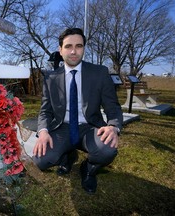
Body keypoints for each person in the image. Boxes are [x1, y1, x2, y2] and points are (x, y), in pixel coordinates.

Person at [32, 28, 123, 194]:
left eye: (79, 46)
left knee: (107, 149)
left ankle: (88, 168)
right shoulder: (50, 78)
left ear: (83, 48)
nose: (73, 51)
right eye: (68, 46)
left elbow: (113, 106)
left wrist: (113, 126)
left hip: (90, 126)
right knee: (40, 160)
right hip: (62, 127)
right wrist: (43, 131)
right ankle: (68, 154)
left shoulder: (100, 73)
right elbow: (45, 110)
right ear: (60, 50)